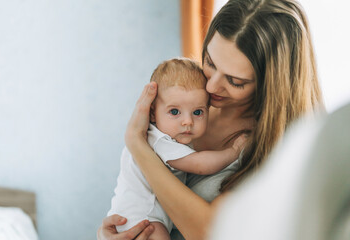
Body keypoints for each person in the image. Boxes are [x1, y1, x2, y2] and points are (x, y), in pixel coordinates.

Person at [97, 0, 325, 239]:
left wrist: (137, 144)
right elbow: (135, 187)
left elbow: (208, 232)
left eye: (235, 81)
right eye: (210, 62)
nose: (211, 85)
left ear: (272, 84)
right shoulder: (185, 102)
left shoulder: (278, 148)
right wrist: (113, 231)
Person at [108, 58, 246, 240]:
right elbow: (200, 165)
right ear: (152, 113)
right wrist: (234, 152)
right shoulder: (160, 140)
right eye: (174, 112)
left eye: (197, 112)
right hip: (141, 218)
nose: (187, 121)